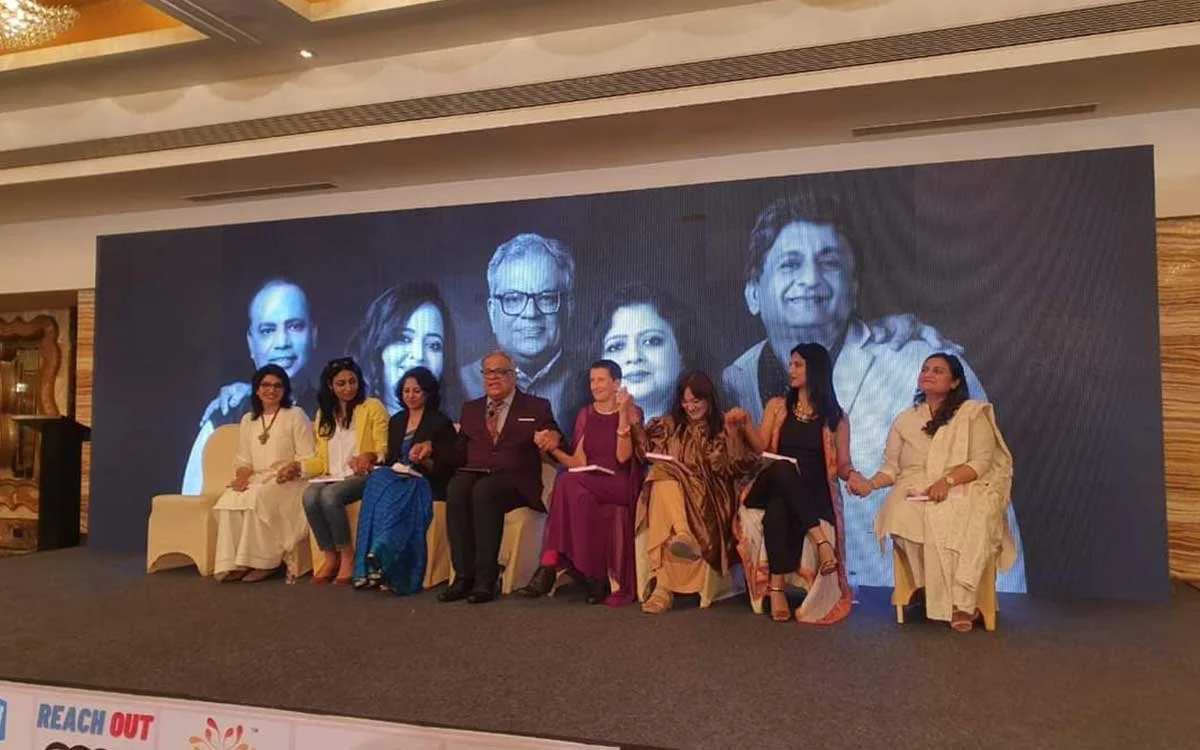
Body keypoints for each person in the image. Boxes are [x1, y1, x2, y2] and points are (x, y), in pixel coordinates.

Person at [720, 195, 1025, 592]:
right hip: (785, 593)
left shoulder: (916, 364)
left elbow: (988, 494)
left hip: (887, 597)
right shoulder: (736, 379)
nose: (810, 279)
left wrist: (997, 602)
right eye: (790, 264)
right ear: (753, 293)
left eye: (829, 263)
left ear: (854, 286)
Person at [855, 353, 1016, 632]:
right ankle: (928, 587)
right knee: (900, 514)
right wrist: (869, 484)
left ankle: (961, 602)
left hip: (963, 483)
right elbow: (892, 467)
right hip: (915, 487)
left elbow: (981, 462)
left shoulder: (972, 414)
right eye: (925, 369)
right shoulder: (906, 419)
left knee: (960, 516)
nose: (928, 373)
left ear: (954, 382)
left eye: (938, 371)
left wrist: (947, 481)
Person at [730, 343, 863, 624]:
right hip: (768, 482)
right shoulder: (777, 407)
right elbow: (761, 447)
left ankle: (776, 589)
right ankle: (821, 542)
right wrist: (746, 425)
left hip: (810, 494)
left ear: (816, 370)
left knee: (779, 507)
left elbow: (842, 464)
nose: (791, 370)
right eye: (791, 364)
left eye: (798, 365)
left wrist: (853, 475)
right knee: (783, 468)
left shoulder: (837, 418)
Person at [515, 360, 644, 605]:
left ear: (616, 383)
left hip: (619, 483)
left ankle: (550, 563)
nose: (595, 386)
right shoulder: (586, 414)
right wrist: (551, 448)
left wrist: (623, 413)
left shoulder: (632, 411)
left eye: (601, 380)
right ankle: (595, 577)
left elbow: (623, 456)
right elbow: (577, 462)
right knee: (574, 490)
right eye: (592, 380)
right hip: (588, 482)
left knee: (567, 483)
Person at [440, 350, 562, 604]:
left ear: (513, 375)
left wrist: (553, 437)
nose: (493, 377)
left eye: (501, 372)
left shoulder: (536, 406)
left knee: (485, 491)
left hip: (516, 481)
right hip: (477, 473)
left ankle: (486, 580)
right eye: (488, 372)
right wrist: (432, 450)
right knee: (457, 487)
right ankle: (463, 577)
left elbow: (555, 435)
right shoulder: (471, 409)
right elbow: (459, 452)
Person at [634, 371, 756, 614]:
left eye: (696, 401)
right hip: (675, 493)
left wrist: (732, 437)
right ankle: (682, 536)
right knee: (661, 476)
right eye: (685, 401)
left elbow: (735, 467)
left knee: (662, 484)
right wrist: (631, 420)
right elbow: (645, 452)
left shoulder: (722, 427)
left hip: (711, 494)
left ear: (708, 400)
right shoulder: (671, 426)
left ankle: (663, 589)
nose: (690, 407)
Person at [181, 279, 318, 494]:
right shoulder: (226, 416)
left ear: (313, 335)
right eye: (267, 330)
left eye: (295, 326)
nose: (282, 342)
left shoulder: (332, 411)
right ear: (251, 343)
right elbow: (191, 501)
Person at [459, 233, 584, 429]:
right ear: (492, 312)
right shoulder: (460, 383)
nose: (530, 313)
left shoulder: (593, 381)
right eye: (513, 299)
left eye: (546, 297)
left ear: (568, 308)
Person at [353, 365, 459, 593]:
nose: (410, 396)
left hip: (424, 480)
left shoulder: (440, 422)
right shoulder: (397, 420)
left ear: (428, 393)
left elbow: (446, 468)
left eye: (417, 391)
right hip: (397, 476)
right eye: (406, 391)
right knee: (376, 479)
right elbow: (392, 459)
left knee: (392, 491)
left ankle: (384, 555)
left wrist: (425, 460)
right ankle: (367, 566)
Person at [287, 358, 388, 585]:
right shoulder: (324, 415)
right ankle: (330, 555)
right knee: (310, 496)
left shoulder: (372, 407)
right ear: (330, 386)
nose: (348, 388)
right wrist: (299, 467)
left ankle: (347, 555)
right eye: (341, 383)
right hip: (332, 475)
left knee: (330, 496)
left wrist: (369, 456)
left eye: (352, 381)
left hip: (364, 475)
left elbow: (384, 447)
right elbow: (321, 461)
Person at [212, 364, 315, 583]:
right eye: (266, 385)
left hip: (290, 481)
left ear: (285, 390)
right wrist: (241, 478)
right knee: (230, 498)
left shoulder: (295, 414)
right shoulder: (248, 420)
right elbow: (244, 461)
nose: (271, 390)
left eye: (278, 386)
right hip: (257, 478)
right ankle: (236, 563)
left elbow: (308, 457)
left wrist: (292, 468)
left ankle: (264, 562)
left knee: (258, 497)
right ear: (257, 390)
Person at [346, 282, 458, 417]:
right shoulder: (349, 422)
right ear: (377, 349)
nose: (419, 355)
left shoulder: (457, 424)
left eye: (433, 345)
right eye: (404, 339)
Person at [595, 284, 703, 422]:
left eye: (651, 341)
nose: (634, 356)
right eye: (616, 347)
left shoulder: (717, 431)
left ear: (682, 352)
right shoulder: (585, 429)